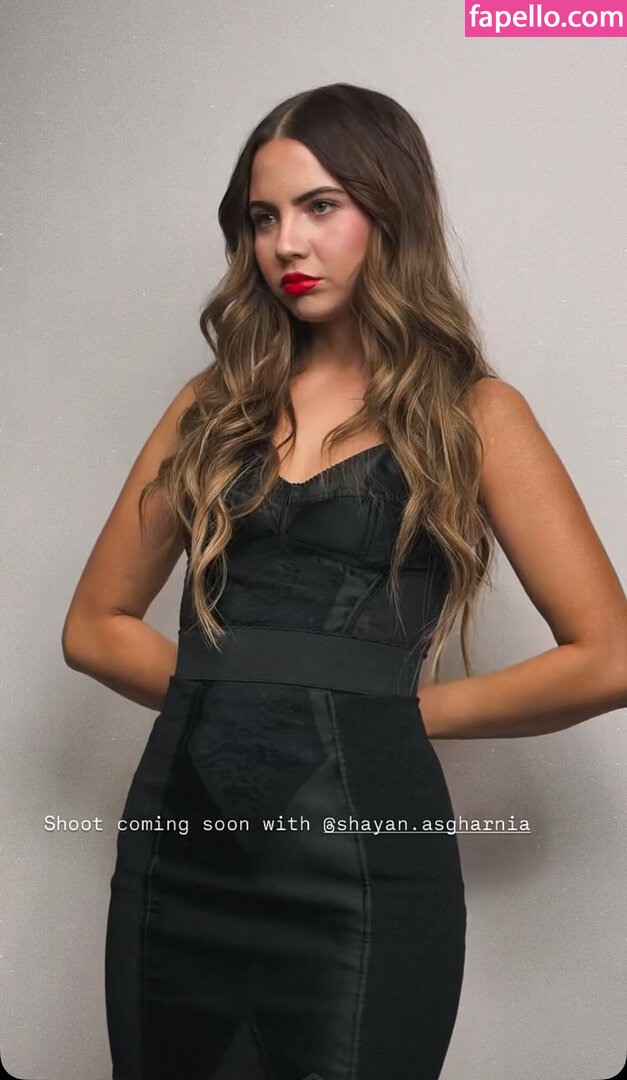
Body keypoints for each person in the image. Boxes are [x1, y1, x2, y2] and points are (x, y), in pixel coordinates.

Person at [62, 82, 627, 1080]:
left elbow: (610, 657)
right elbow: (94, 626)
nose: (286, 242)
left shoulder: (473, 414)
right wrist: (236, 692)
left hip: (364, 871)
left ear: (389, 211)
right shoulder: (211, 407)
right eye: (263, 216)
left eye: (320, 206)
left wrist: (395, 711)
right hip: (178, 857)